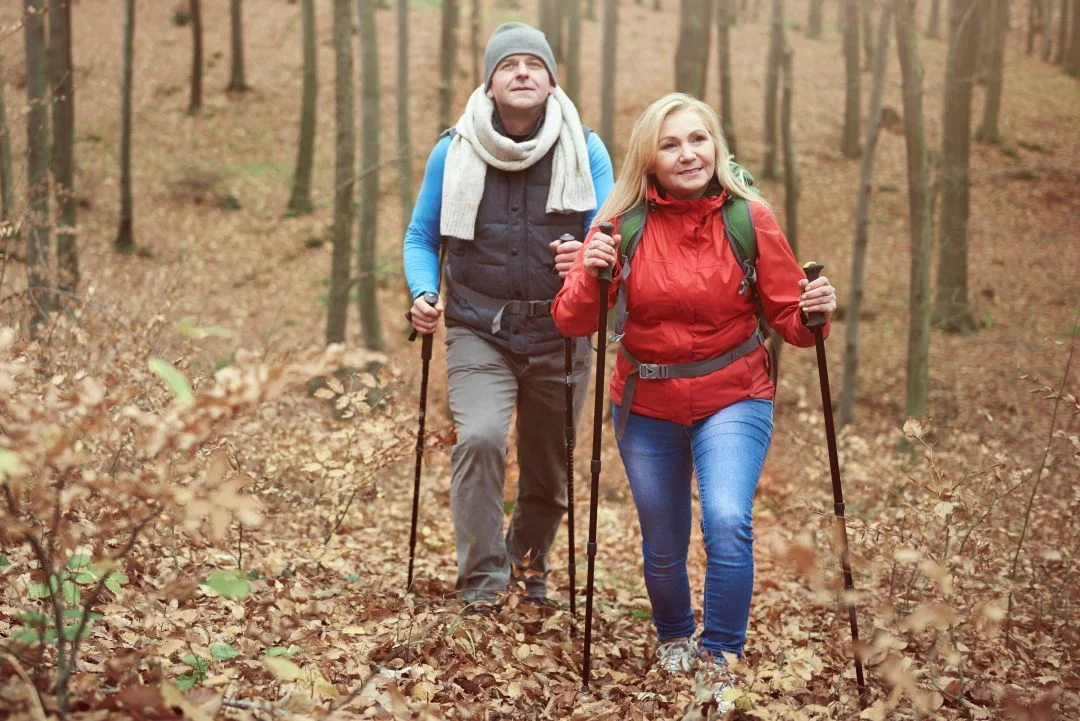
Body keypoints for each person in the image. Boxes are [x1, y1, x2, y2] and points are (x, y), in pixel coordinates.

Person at [551, 93, 836, 708]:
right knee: (662, 538)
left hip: (733, 393)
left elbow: (788, 316)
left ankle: (721, 653)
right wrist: (591, 271)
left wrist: (815, 313)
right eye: (672, 143)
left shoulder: (749, 218)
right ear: (648, 158)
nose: (688, 154)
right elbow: (574, 323)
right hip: (645, 403)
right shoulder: (620, 224)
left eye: (698, 140)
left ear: (717, 147)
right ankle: (675, 636)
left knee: (728, 520)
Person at [403, 22, 614, 613]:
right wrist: (423, 292)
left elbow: (612, 233)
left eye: (534, 65)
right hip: (479, 327)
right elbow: (422, 236)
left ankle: (527, 564)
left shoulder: (586, 148)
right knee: (480, 437)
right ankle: (482, 583)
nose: (522, 73)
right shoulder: (454, 149)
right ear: (490, 84)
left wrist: (590, 258)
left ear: (552, 82)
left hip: (564, 331)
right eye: (508, 66)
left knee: (551, 467)